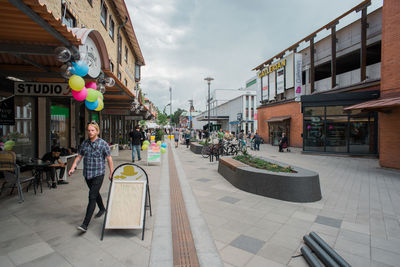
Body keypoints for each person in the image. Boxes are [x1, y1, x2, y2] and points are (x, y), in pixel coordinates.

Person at [68, 121, 114, 233]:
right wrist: (73, 167)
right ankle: (102, 208)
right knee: (95, 193)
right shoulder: (84, 143)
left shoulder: (103, 144)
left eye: (92, 130)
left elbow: (109, 159)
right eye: (88, 130)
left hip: (98, 173)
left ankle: (85, 224)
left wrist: (111, 172)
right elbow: (79, 156)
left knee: (92, 196)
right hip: (87, 174)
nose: (90, 132)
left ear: (97, 131)